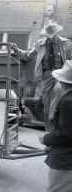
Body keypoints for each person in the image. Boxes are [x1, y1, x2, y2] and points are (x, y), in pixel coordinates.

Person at [11, 19, 72, 131]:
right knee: (48, 106)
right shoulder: (40, 44)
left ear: (57, 32)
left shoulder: (66, 43)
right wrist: (16, 50)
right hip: (47, 76)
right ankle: (49, 132)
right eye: (49, 36)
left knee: (61, 98)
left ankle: (62, 131)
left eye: (52, 35)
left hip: (62, 74)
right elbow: (27, 56)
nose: (51, 38)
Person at [39, 60, 72, 192]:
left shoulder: (68, 101)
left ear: (63, 82)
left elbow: (65, 133)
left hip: (65, 161)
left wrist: (47, 139)